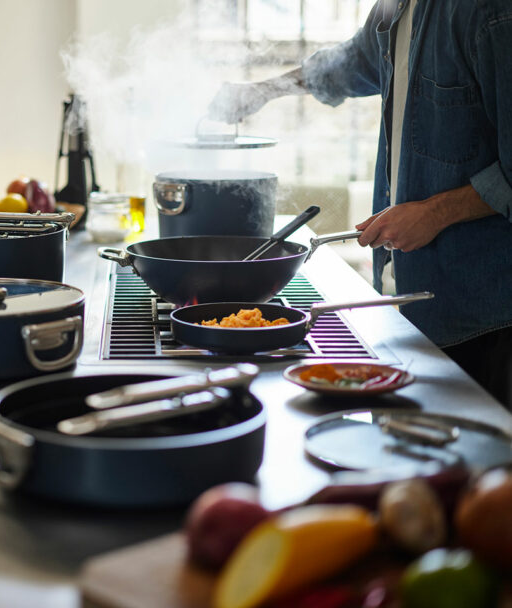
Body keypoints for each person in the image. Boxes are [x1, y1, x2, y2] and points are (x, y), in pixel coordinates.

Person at [207, 0, 512, 406]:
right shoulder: (397, 8)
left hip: (485, 318)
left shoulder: (491, 13)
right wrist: (263, 90)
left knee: (483, 458)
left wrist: (434, 214)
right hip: (407, 300)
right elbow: (348, 64)